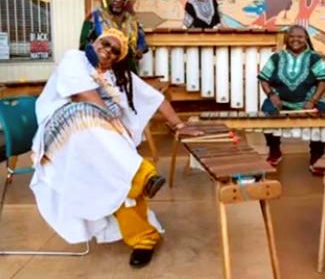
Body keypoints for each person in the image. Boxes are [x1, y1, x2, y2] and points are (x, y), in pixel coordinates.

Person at [30, 28, 203, 267]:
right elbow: (83, 94)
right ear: (95, 42)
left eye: (115, 51)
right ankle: (144, 175)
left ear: (118, 58)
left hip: (105, 142)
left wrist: (179, 124)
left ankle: (144, 239)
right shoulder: (75, 58)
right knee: (85, 116)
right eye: (105, 44)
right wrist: (113, 122)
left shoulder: (120, 78)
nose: (108, 51)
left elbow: (156, 98)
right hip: (65, 138)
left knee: (120, 178)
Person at [257, 25, 325, 173]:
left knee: (322, 115)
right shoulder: (277, 57)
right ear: (287, 38)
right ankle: (274, 150)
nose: (295, 39)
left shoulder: (314, 58)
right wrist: (272, 96)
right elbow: (264, 79)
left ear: (306, 40)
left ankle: (317, 155)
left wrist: (314, 100)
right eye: (292, 36)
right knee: (267, 111)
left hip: (308, 101)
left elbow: (323, 80)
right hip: (281, 102)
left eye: (300, 37)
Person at [79, 0, 148, 73]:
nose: (118, 0)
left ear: (125, 1)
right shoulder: (96, 16)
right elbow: (84, 43)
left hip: (128, 67)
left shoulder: (132, 19)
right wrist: (95, 59)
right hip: (103, 66)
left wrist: (140, 50)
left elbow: (142, 42)